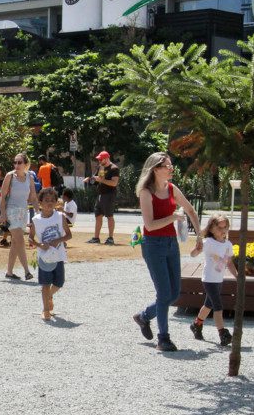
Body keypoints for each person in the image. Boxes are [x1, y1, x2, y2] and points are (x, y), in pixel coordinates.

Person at [132, 152, 202, 352]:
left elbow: (191, 210)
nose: (171, 169)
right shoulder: (146, 192)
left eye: (171, 165)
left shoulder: (171, 188)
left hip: (171, 244)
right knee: (164, 293)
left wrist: (199, 236)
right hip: (153, 245)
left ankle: (144, 316)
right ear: (155, 169)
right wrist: (172, 218)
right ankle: (163, 338)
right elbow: (150, 225)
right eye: (167, 166)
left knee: (174, 293)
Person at [189, 213, 238, 346]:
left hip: (218, 280)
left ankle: (196, 324)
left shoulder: (228, 244)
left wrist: (237, 276)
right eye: (219, 228)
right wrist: (196, 249)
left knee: (208, 305)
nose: (223, 231)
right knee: (218, 305)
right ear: (211, 229)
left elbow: (229, 263)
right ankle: (222, 333)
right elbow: (193, 254)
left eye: (225, 228)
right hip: (209, 279)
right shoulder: (208, 242)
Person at [30, 187, 72, 320]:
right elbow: (30, 238)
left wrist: (58, 240)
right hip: (44, 258)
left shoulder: (60, 217)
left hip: (58, 256)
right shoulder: (36, 220)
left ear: (56, 203)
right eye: (46, 200)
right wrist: (39, 245)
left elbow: (69, 235)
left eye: (52, 200)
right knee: (45, 284)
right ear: (40, 202)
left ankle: (49, 296)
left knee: (59, 282)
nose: (49, 203)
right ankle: (45, 310)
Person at [0, 153, 39, 280]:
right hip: (11, 211)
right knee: (20, 241)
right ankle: (27, 271)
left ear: (26, 164)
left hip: (23, 212)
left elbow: (33, 196)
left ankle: (9, 272)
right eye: (15, 162)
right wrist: (3, 213)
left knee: (15, 243)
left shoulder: (29, 178)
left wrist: (38, 213)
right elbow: (2, 196)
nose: (16, 165)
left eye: (19, 162)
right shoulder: (10, 176)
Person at [85, 150, 120, 245]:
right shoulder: (101, 167)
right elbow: (98, 180)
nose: (99, 161)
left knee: (109, 216)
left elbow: (114, 183)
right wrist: (90, 179)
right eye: (99, 159)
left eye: (101, 159)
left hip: (109, 195)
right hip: (100, 195)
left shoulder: (114, 168)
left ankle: (110, 238)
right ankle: (96, 238)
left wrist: (101, 179)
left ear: (106, 158)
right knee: (98, 216)